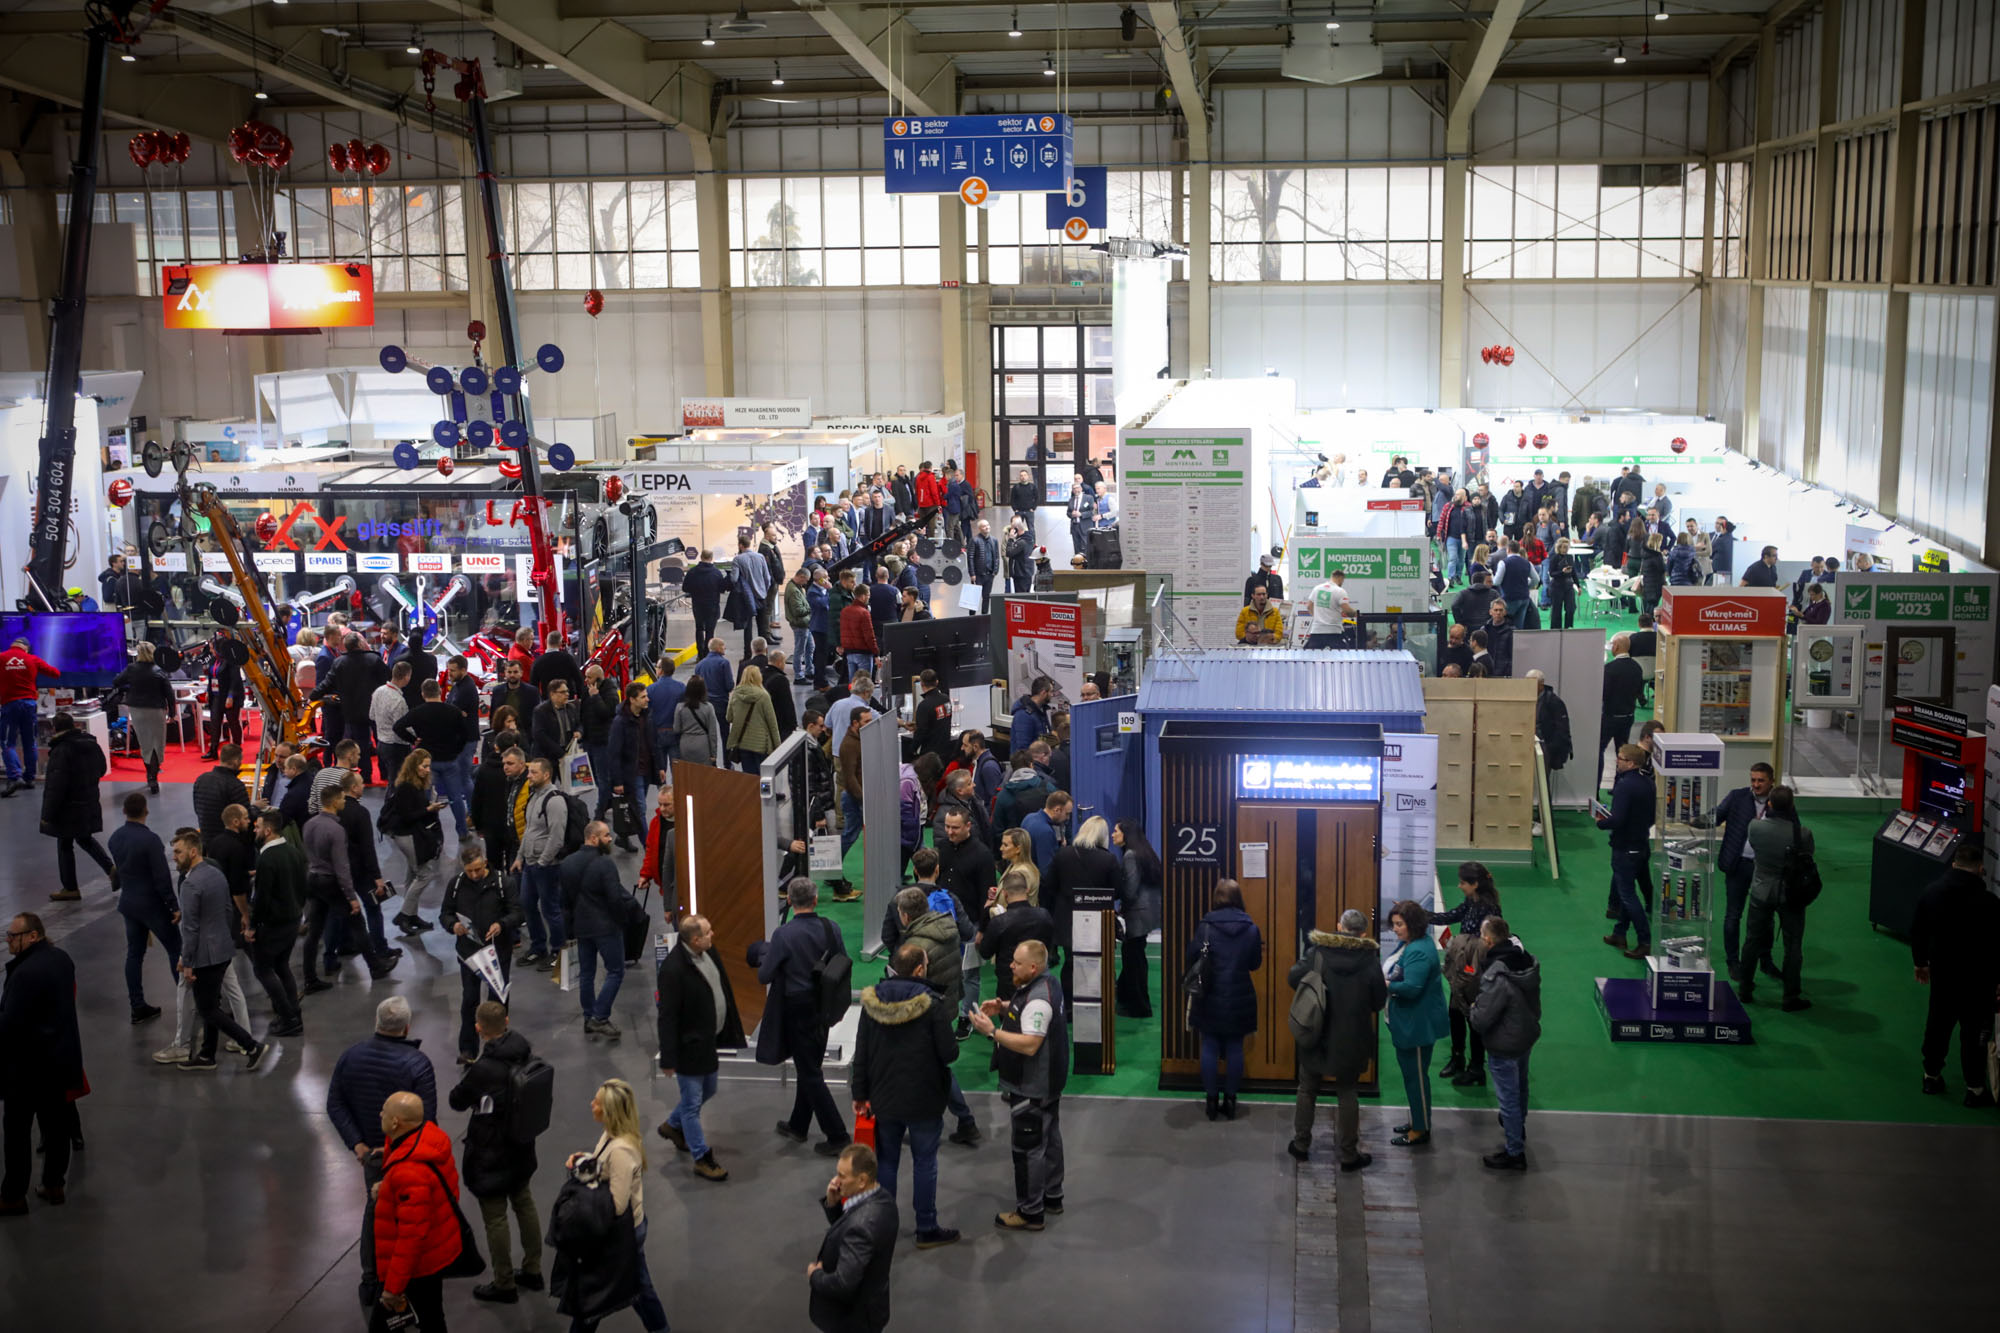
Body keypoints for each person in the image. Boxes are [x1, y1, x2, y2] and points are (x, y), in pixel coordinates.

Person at [327, 996, 438, 1309]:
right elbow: (427, 1119)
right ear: (407, 1027)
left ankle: (371, 1281)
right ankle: (408, 1282)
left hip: (372, 1159)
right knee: (410, 1219)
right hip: (407, 1157)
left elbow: (335, 1103)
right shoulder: (417, 1064)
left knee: (375, 1215)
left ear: (376, 1022)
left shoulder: (351, 1056)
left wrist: (358, 1144)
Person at [852, 941, 962, 1251]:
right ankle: (926, 1228)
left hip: (883, 1097)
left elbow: (862, 1052)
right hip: (925, 1098)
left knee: (886, 1162)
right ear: (918, 970)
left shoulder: (871, 1003)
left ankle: (883, 1227)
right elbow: (949, 1054)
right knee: (924, 1162)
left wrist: (860, 1093)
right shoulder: (933, 1005)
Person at [448, 1001, 545, 1305]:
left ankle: (504, 1283)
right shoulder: (524, 1052)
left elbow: (456, 1101)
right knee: (524, 1204)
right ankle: (533, 1269)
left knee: (495, 1217)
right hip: (521, 1144)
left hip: (490, 1152)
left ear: (478, 1028)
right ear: (507, 1021)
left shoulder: (483, 1069)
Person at [971, 939, 1068, 1231]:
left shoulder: (1037, 1000)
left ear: (1033, 967)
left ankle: (1030, 1211)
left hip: (1030, 1086)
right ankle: (1052, 1196)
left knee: (1028, 1149)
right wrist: (1003, 1007)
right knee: (1050, 1139)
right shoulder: (1048, 983)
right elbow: (1028, 1015)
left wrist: (992, 1032)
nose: (1011, 965)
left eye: (1017, 963)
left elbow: (1030, 1044)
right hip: (1049, 1082)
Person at [560, 1078, 671, 1332]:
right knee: (637, 1287)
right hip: (625, 1229)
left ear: (609, 1111)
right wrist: (584, 1161)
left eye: (597, 1102)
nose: (592, 1104)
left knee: (597, 1294)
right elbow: (605, 1167)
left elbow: (618, 1205)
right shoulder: (612, 1134)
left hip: (622, 1232)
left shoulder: (621, 1149)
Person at [1286, 908, 1387, 1168]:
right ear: (1363, 933)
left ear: (1339, 926)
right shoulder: (1369, 959)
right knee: (1347, 1092)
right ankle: (1348, 1154)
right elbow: (1379, 1001)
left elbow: (1293, 978)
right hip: (1352, 1037)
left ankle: (1300, 1144)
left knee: (1307, 1088)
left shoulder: (1318, 952)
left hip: (1317, 1032)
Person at [758, 877, 852, 1152]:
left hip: (797, 1009)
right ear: (815, 899)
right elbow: (842, 963)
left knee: (810, 1072)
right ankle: (798, 1125)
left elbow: (765, 975)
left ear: (789, 900)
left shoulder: (784, 935)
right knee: (809, 1065)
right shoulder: (831, 928)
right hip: (825, 1005)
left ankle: (837, 1135)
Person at [0, 913, 83, 1213]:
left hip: (26, 1067)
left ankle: (13, 1196)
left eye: (13, 936)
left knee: (17, 1133)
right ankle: (54, 1184)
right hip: (60, 1060)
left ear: (32, 936)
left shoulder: (24, 973)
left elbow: (10, 1024)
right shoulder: (62, 959)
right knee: (56, 1126)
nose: (8, 941)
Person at [654, 913, 744, 1182]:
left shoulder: (708, 953)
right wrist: (668, 1057)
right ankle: (702, 1158)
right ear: (695, 940)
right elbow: (667, 1017)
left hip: (707, 1043)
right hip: (688, 1048)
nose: (712, 934)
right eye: (707, 932)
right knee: (692, 1105)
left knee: (709, 1089)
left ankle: (672, 1125)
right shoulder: (673, 970)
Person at [1911, 838, 2000, 1106]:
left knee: (1938, 1026)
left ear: (1953, 864)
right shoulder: (1990, 902)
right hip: (1979, 981)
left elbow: (1918, 931)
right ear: (1980, 869)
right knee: (1975, 1035)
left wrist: (1920, 963)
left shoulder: (1932, 893)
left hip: (1944, 976)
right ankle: (1975, 1089)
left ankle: (1931, 1076)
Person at [370, 1090, 464, 1333]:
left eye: (384, 1111)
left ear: (395, 1122)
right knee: (432, 1316)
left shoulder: (409, 1172)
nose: (380, 1114)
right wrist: (388, 1184)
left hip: (417, 1265)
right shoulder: (430, 1139)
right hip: (435, 1252)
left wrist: (393, 1287)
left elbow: (411, 1236)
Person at [1184, 878, 1263, 1122]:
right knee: (1235, 1047)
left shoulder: (1205, 927)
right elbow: (1255, 964)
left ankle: (1211, 1102)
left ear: (1216, 898)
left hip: (1209, 995)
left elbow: (1191, 956)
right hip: (1240, 996)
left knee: (1209, 1046)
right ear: (1239, 898)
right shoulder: (1251, 928)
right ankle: (1230, 1101)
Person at [1468, 916, 1541, 1170]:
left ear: (1488, 940)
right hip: (1525, 1036)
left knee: (1508, 1099)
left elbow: (1481, 1018)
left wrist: (1473, 1008)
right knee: (1521, 1089)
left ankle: (1514, 1152)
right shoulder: (1525, 961)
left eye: (1481, 936)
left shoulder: (1496, 974)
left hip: (1504, 1044)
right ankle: (1518, 1130)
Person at [438, 844, 521, 1062]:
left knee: (497, 1002)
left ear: (485, 862)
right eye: (469, 871)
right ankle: (468, 1050)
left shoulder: (504, 883)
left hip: (497, 952)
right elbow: (445, 913)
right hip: (468, 954)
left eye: (477, 869)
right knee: (469, 1000)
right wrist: (453, 925)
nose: (474, 875)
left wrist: (501, 924)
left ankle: (499, 1047)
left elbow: (517, 912)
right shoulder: (456, 885)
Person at [808, 1142, 898, 1333]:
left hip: (852, 1319)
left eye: (842, 1176)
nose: (836, 1181)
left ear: (862, 1180)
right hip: (872, 1305)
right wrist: (833, 1206)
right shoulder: (885, 1199)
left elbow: (843, 1283)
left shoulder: (861, 1226)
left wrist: (815, 1275)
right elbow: (847, 1231)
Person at [1739, 784, 1814, 1011]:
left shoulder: (1755, 827)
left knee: (1752, 941)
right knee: (1793, 946)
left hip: (1761, 891)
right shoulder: (1802, 834)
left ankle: (1745, 988)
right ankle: (1790, 996)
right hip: (1791, 895)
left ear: (1769, 804)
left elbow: (1754, 848)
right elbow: (1807, 857)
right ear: (1792, 806)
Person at [109, 792, 178, 1024]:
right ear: (146, 810)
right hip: (152, 905)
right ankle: (188, 1000)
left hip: (129, 903)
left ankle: (137, 1006)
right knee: (175, 949)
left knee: (134, 954)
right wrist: (173, 905)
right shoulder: (151, 840)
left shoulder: (115, 838)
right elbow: (162, 877)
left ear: (124, 811)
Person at [1433, 861, 1503, 1088]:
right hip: (1462, 970)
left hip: (1477, 973)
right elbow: (1452, 915)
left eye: (1463, 882)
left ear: (1475, 884)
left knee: (1474, 1019)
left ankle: (1476, 1068)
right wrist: (1421, 916)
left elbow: (1492, 943)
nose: (1459, 886)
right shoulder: (1471, 901)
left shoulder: (1490, 910)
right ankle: (1457, 1058)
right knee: (1454, 1013)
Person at [1384, 899, 1446, 1148]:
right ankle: (1418, 1120)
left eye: (1400, 924)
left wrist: (1387, 985)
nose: (1395, 929)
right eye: (1394, 924)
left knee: (1416, 1078)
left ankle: (1420, 1130)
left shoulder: (1418, 950)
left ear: (1413, 924)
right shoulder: (1413, 943)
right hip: (1410, 1023)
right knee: (1413, 1076)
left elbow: (1411, 988)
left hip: (1417, 1026)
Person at [561, 821, 630, 1040]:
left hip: (581, 928)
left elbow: (564, 901)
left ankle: (588, 1017)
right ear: (593, 838)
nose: (610, 839)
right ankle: (600, 1017)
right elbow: (614, 898)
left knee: (587, 974)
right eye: (606, 835)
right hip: (606, 927)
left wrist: (569, 929)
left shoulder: (567, 863)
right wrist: (622, 920)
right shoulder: (605, 864)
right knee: (616, 971)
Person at [246, 807, 306, 1039]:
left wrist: (252, 926)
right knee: (282, 966)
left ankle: (288, 1018)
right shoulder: (293, 852)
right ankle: (294, 1013)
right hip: (293, 919)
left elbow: (261, 898)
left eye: (258, 827)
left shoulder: (267, 858)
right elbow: (302, 886)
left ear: (268, 830)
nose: (255, 830)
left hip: (274, 924)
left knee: (263, 969)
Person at [39, 713, 112, 902]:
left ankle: (70, 887)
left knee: (64, 844)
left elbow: (55, 787)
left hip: (68, 807)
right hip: (89, 800)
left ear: (54, 729)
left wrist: (47, 815)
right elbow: (102, 769)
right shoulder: (91, 744)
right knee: (84, 838)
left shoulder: (61, 750)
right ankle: (111, 869)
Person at [1713, 763, 1775, 976]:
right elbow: (1717, 815)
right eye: (1753, 780)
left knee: (1766, 918)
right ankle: (1733, 961)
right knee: (1733, 916)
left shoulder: (1779, 802)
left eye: (1761, 780)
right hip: (1737, 865)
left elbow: (1792, 827)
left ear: (1771, 781)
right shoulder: (1737, 797)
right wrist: (1698, 819)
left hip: (1765, 869)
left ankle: (1766, 960)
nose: (1756, 784)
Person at [1598, 744, 1656, 960]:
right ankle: (1619, 933)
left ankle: (1645, 941)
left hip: (1625, 848)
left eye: (1620, 758)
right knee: (1626, 892)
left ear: (1631, 763)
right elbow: (1651, 817)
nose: (1617, 761)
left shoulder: (1624, 786)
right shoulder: (1648, 783)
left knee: (1628, 895)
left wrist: (1601, 822)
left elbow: (1617, 819)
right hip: (1641, 845)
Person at [381, 749, 447, 935]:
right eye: (424, 766)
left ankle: (412, 915)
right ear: (414, 766)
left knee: (412, 874)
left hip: (411, 834)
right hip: (405, 835)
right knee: (424, 874)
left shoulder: (416, 785)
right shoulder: (406, 787)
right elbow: (407, 816)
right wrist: (429, 810)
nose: (427, 770)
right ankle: (404, 915)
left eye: (428, 766)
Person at [1113, 819, 1162, 1018]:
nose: (1113, 834)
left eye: (1116, 831)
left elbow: (1130, 889)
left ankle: (1139, 1005)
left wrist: (1118, 900)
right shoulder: (1144, 852)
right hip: (1148, 912)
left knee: (1133, 958)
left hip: (1137, 914)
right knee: (1136, 957)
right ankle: (1129, 998)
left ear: (1126, 834)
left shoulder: (1130, 856)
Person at [0, 638, 61, 796]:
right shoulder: (32, 659)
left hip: (10, 705)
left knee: (7, 743)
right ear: (26, 648)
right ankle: (29, 778)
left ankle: (15, 777)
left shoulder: (2, 657)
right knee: (30, 742)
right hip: (29, 705)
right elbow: (55, 673)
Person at [111, 641, 173, 794]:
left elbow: (116, 682)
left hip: (137, 709)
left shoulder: (131, 669)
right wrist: (172, 712)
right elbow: (169, 693)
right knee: (157, 743)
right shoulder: (159, 670)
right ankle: (154, 776)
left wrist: (130, 686)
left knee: (145, 743)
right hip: (156, 709)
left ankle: (149, 776)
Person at [1599, 634, 1644, 789]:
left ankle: (1595, 787)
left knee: (1600, 750)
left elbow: (1603, 694)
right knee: (1623, 753)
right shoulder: (1637, 668)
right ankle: (1619, 786)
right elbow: (1639, 692)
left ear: (1616, 646)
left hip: (1610, 717)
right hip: (1628, 717)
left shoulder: (1609, 669)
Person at [725, 663, 782, 774]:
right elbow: (772, 723)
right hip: (761, 744)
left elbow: (729, 717)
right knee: (764, 776)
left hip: (742, 742)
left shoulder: (736, 694)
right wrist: (777, 746)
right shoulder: (763, 696)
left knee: (749, 777)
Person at [191, 743, 251, 840]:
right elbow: (245, 816)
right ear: (236, 761)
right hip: (229, 840)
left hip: (205, 836)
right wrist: (257, 808)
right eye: (240, 760)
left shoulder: (201, 779)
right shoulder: (235, 785)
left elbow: (197, 809)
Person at [372, 661, 414, 788]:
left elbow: (371, 715)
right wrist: (414, 739)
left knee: (392, 782)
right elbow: (401, 727)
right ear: (406, 677)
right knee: (398, 784)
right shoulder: (398, 700)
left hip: (381, 743)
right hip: (397, 747)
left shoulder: (378, 691)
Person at [1529, 671, 1573, 778]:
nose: (1528, 686)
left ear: (1541, 684)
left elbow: (1562, 729)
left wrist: (1550, 749)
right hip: (1527, 745)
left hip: (1544, 748)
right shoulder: (1525, 699)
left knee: (1542, 779)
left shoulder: (1553, 702)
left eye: (1531, 683)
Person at [1303, 569, 1356, 648]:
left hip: (1317, 630)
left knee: (1310, 654)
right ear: (1340, 578)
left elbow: (1309, 606)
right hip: (1334, 631)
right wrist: (1356, 613)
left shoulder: (1317, 589)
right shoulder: (1340, 591)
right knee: (1343, 654)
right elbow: (1348, 611)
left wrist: (1318, 617)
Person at [488, 659, 541, 725]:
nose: (512, 675)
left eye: (515, 672)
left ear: (521, 673)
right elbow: (493, 715)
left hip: (525, 729)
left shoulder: (532, 692)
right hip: (503, 729)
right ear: (505, 673)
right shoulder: (497, 691)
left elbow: (537, 716)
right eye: (509, 672)